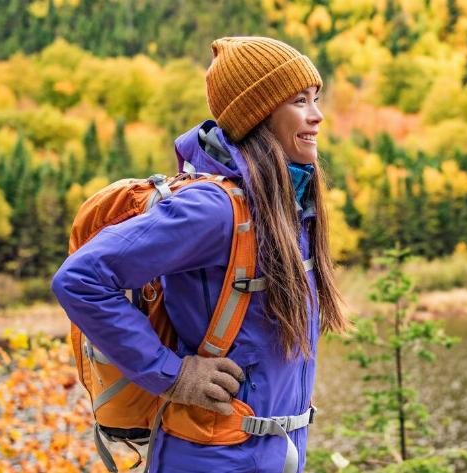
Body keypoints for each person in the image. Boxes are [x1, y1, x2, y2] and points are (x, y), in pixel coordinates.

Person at [51, 36, 347, 473]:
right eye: (299, 101)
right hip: (212, 459)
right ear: (257, 115)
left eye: (315, 99)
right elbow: (79, 280)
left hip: (270, 456)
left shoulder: (287, 206)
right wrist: (171, 375)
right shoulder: (213, 210)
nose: (317, 115)